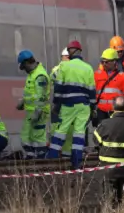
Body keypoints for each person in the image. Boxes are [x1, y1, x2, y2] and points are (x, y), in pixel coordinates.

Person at [47, 40, 96, 169]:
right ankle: (77, 162)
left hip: (68, 105)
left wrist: (56, 105)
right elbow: (92, 91)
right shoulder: (88, 68)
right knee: (79, 133)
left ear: (70, 52)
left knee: (60, 131)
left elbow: (58, 88)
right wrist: (92, 107)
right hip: (84, 106)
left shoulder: (65, 67)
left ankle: (52, 159)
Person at [94, 96, 124, 207]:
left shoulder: (105, 124)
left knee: (110, 196)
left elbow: (96, 140)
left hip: (109, 166)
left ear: (113, 107)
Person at [15, 50, 50, 159]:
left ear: (26, 63)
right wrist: (23, 102)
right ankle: (31, 157)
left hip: (39, 112)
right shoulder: (32, 75)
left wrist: (38, 112)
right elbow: (32, 94)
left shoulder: (40, 76)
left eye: (23, 67)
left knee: (38, 137)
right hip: (32, 112)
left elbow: (41, 96)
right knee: (27, 137)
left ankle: (40, 158)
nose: (24, 70)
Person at [93, 48, 124, 125]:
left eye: (106, 62)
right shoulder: (97, 75)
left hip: (115, 113)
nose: (104, 64)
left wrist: (123, 111)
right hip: (101, 113)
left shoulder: (122, 77)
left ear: (114, 61)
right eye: (102, 62)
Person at [50, 48, 72, 158]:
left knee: (60, 130)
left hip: (60, 104)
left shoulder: (57, 69)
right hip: (64, 105)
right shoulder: (60, 68)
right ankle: (63, 154)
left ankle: (59, 154)